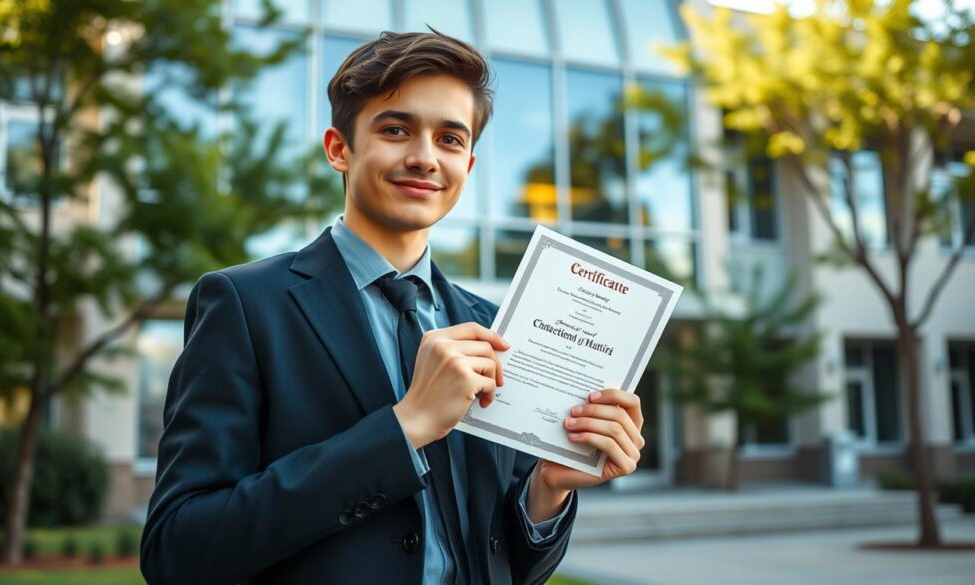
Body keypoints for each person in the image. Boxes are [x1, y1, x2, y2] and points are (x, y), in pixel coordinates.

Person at [140, 29, 646, 585]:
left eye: (450, 140)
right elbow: (177, 552)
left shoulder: (498, 325)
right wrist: (404, 428)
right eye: (396, 129)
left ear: (468, 169)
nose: (425, 158)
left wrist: (547, 489)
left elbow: (510, 567)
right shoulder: (244, 304)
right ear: (339, 149)